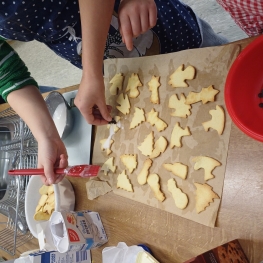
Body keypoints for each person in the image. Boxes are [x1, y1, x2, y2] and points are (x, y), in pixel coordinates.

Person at [0, 0, 227, 185]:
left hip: (149, 21)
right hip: (107, 63)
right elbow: (7, 74)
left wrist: (90, 72)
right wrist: (46, 136)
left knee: (224, 74)